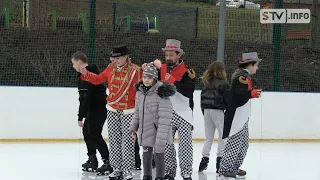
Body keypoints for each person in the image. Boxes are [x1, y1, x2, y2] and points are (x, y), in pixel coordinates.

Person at [79, 45, 142, 179]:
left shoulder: (136, 71)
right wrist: (86, 74)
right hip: (112, 109)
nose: (116, 60)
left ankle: (127, 170)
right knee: (113, 140)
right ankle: (117, 168)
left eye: (119, 58)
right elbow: (98, 79)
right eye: (114, 58)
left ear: (126, 57)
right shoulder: (110, 68)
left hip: (129, 110)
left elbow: (145, 86)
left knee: (128, 141)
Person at [143, 39, 196, 180]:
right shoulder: (161, 69)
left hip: (184, 113)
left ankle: (186, 172)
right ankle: (169, 171)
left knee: (185, 144)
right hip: (166, 112)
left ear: (178, 55)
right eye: (166, 55)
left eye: (171, 55)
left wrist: (173, 80)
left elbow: (189, 91)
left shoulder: (188, 71)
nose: (168, 58)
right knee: (166, 144)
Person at [217, 52, 262, 180]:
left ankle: (234, 167)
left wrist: (250, 93)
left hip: (242, 117)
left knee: (243, 144)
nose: (257, 68)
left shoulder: (244, 76)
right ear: (250, 65)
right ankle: (225, 169)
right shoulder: (240, 77)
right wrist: (251, 93)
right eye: (256, 65)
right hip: (237, 116)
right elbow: (239, 93)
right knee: (234, 143)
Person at [129, 61, 176, 180]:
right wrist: (134, 127)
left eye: (150, 77)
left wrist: (162, 136)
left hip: (159, 131)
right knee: (146, 154)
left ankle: (159, 177)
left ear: (155, 78)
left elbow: (165, 117)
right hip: (145, 130)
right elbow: (137, 112)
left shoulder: (161, 93)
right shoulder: (140, 93)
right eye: (145, 77)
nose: (146, 80)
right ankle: (147, 176)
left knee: (159, 155)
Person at [71, 51, 112, 174]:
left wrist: (80, 116)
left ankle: (107, 161)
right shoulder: (87, 75)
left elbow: (85, 98)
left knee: (94, 134)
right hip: (93, 109)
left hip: (98, 109)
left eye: (74, 63)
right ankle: (92, 158)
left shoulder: (87, 76)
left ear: (79, 62)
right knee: (87, 133)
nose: (73, 66)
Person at [198, 61, 230, 173]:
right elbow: (228, 99)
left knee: (208, 137)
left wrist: (204, 111)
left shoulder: (206, 83)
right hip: (218, 110)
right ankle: (219, 161)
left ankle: (204, 160)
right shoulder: (224, 83)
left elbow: (202, 98)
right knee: (223, 135)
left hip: (207, 110)